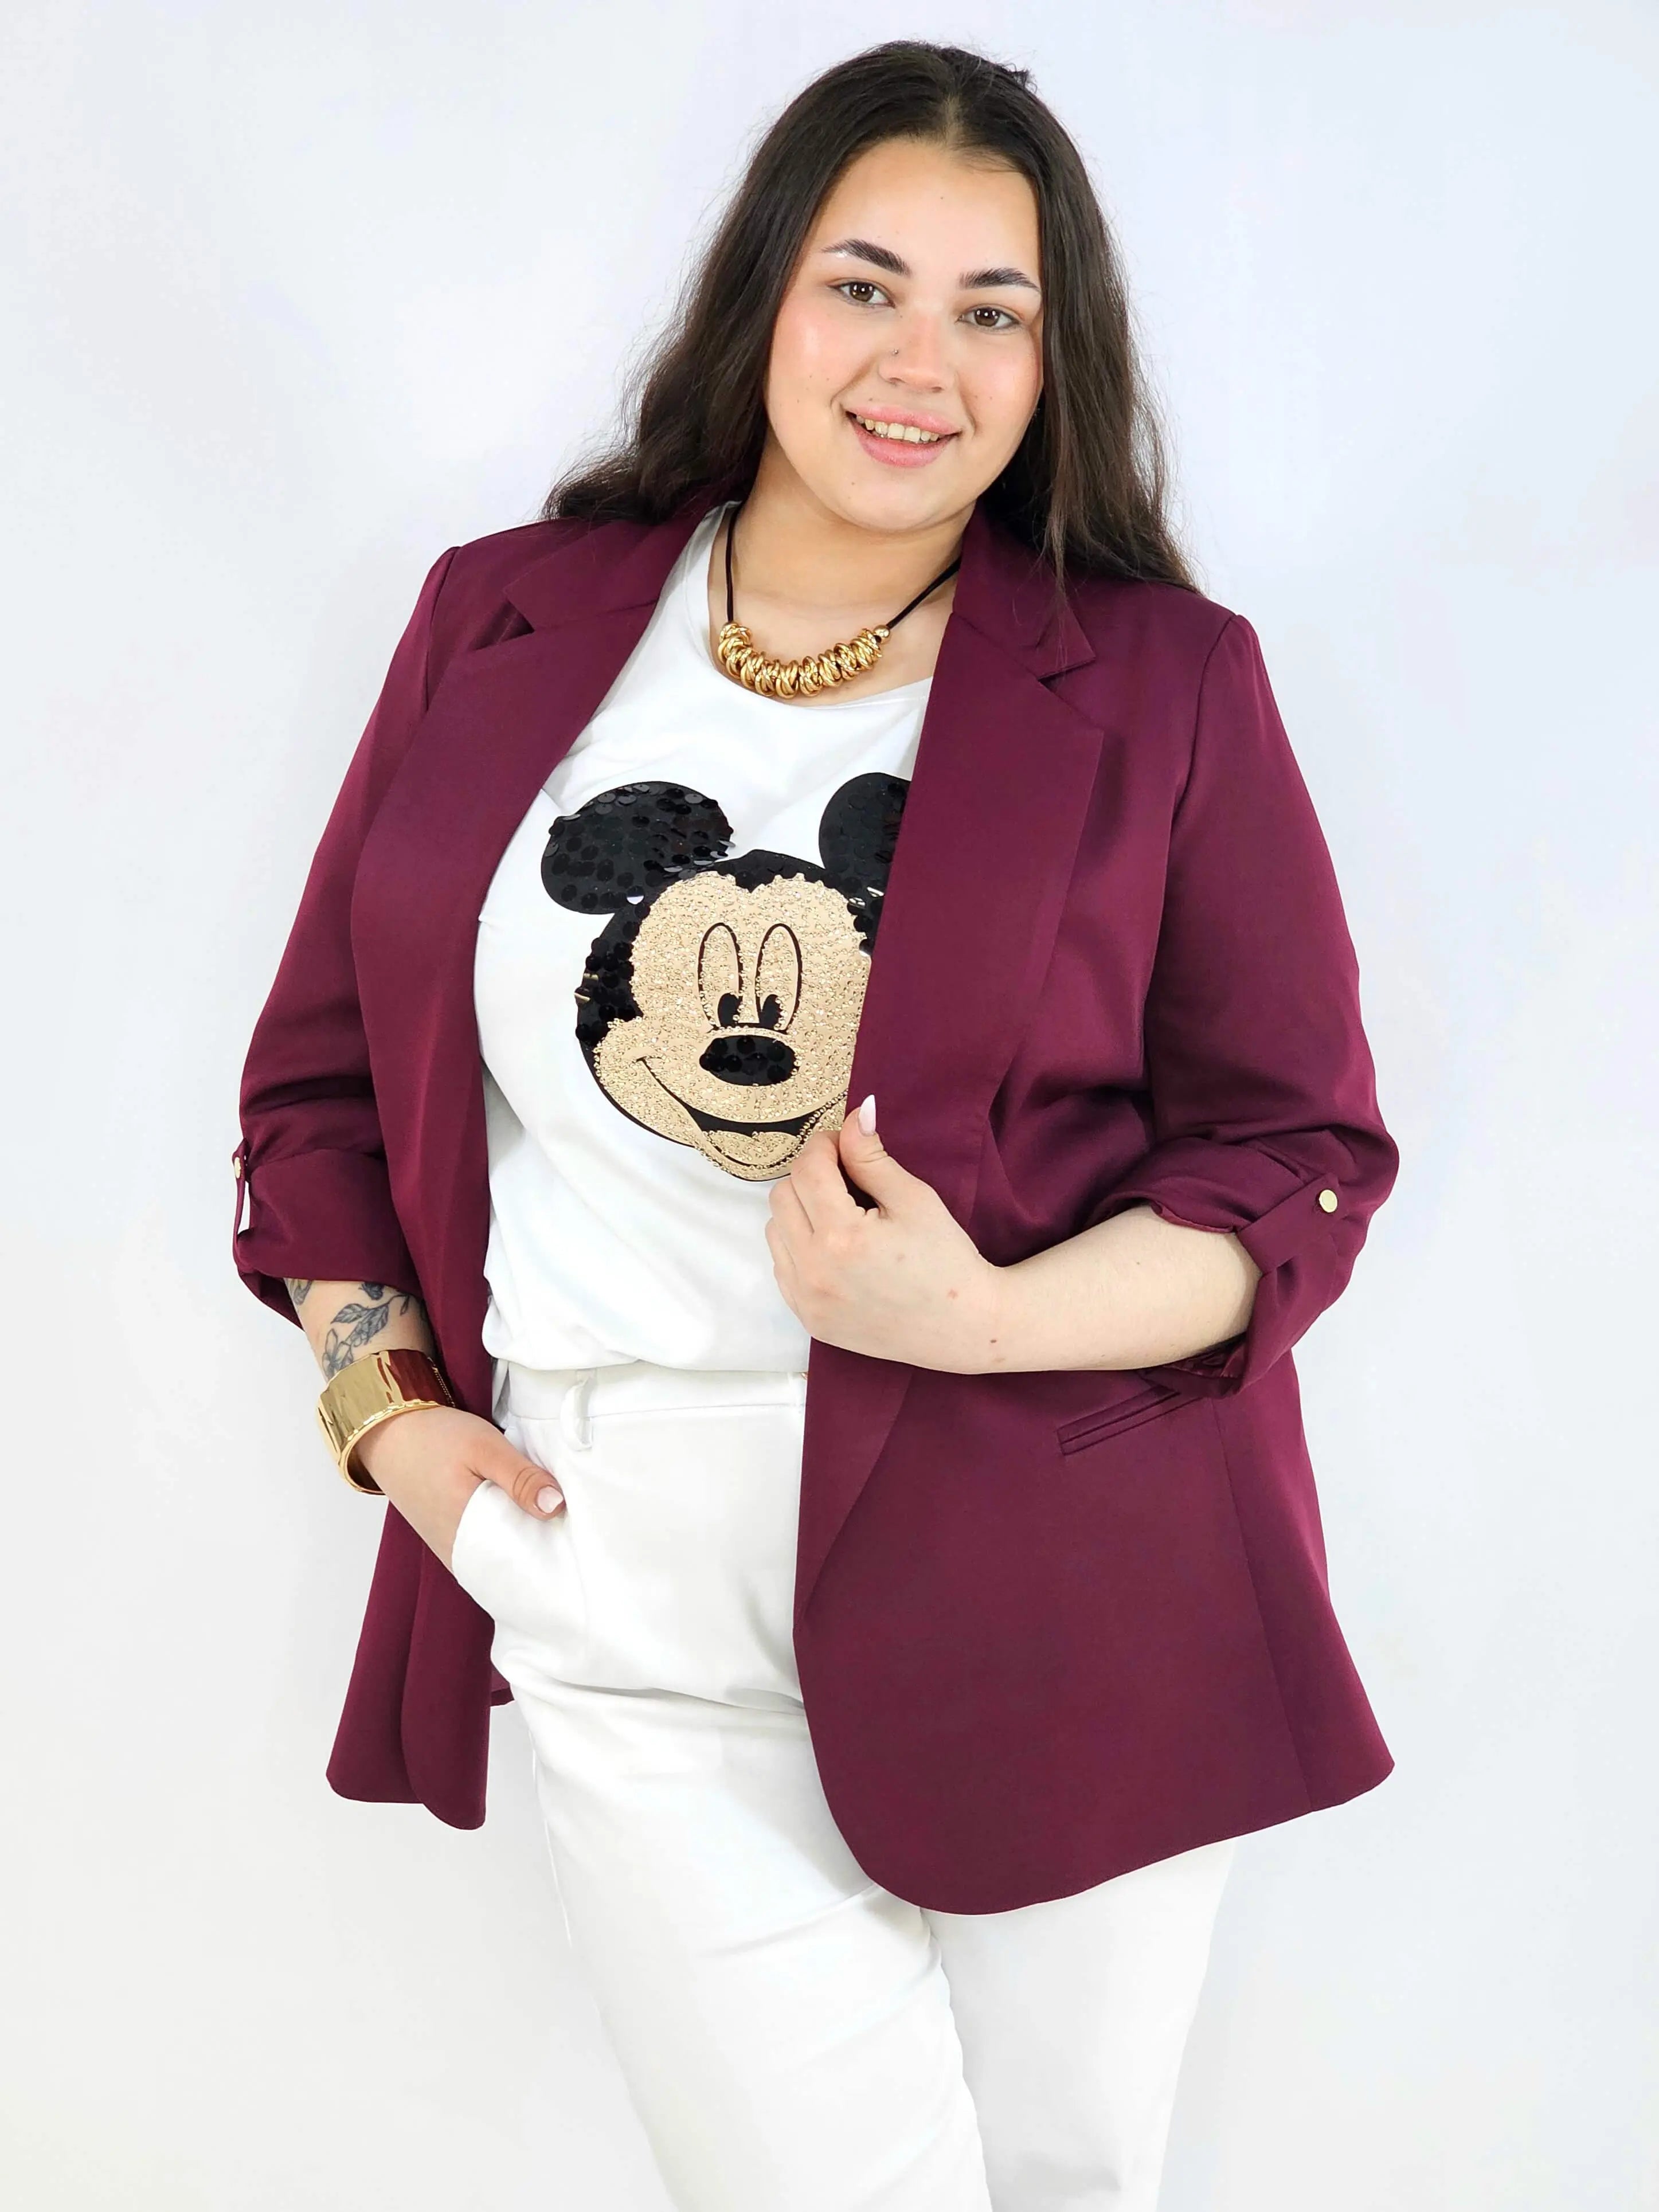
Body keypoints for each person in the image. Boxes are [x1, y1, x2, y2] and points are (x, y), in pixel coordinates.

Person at [233, 39, 1398, 2212]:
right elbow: (314, 1088)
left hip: (1068, 1562)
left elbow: (1294, 1155)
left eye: (992, 311)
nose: (918, 364)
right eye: (865, 285)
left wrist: (979, 1315)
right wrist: (385, 1414)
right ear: (764, 292)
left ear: (1056, 363)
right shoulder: (500, 618)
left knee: (1062, 2186)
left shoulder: (1164, 680)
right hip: (619, 1556)